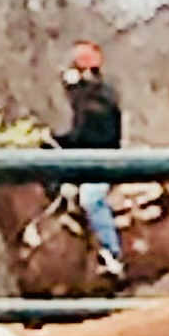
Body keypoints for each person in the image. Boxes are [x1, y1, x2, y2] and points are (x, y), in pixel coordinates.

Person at [54, 40, 126, 282]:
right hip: (88, 162)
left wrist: (65, 143)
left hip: (103, 164)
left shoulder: (99, 100)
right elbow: (79, 134)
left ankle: (112, 252)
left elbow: (91, 137)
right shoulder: (90, 99)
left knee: (90, 199)